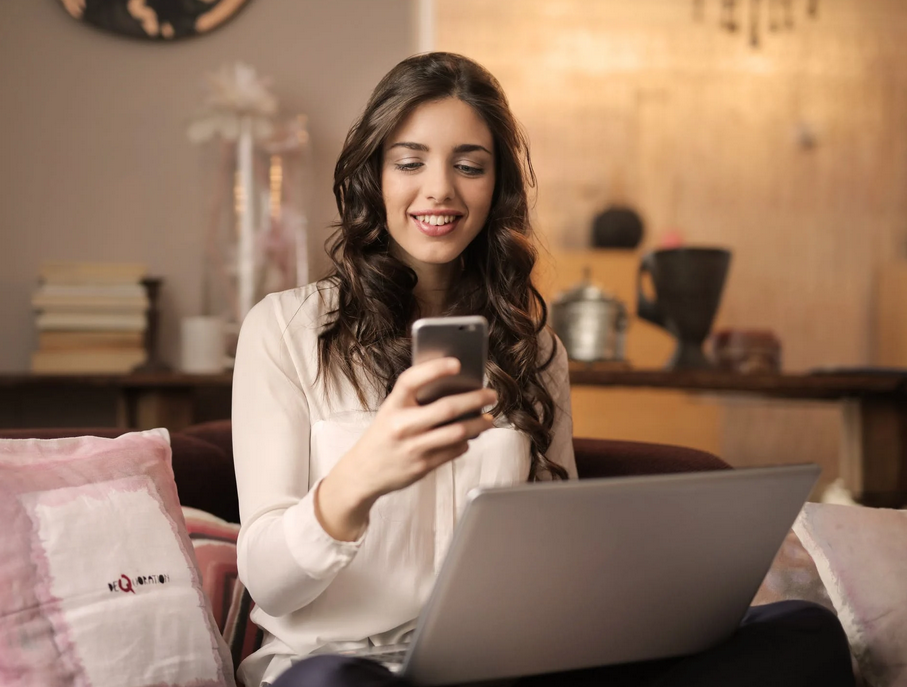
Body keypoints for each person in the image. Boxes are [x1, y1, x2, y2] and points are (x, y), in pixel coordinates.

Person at [230, 52, 853, 687]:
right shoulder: (286, 331)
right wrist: (357, 480)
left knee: (807, 632)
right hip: (346, 666)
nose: (440, 189)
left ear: (495, 187)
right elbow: (271, 585)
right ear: (374, 177)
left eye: (469, 166)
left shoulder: (535, 350)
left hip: (502, 666)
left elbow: (557, 551)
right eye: (410, 162)